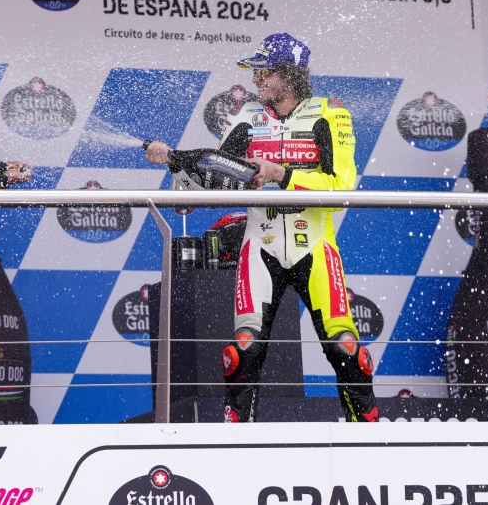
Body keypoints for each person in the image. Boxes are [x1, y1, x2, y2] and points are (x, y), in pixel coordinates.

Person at [146, 33, 379, 422]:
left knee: (347, 348)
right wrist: (175, 161)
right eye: (255, 71)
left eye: (264, 71)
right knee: (242, 350)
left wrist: (280, 173)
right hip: (260, 243)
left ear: (289, 75)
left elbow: (341, 188)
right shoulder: (247, 118)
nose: (256, 79)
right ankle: (238, 446)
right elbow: (218, 170)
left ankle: (369, 441)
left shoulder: (330, 113)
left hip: (315, 245)